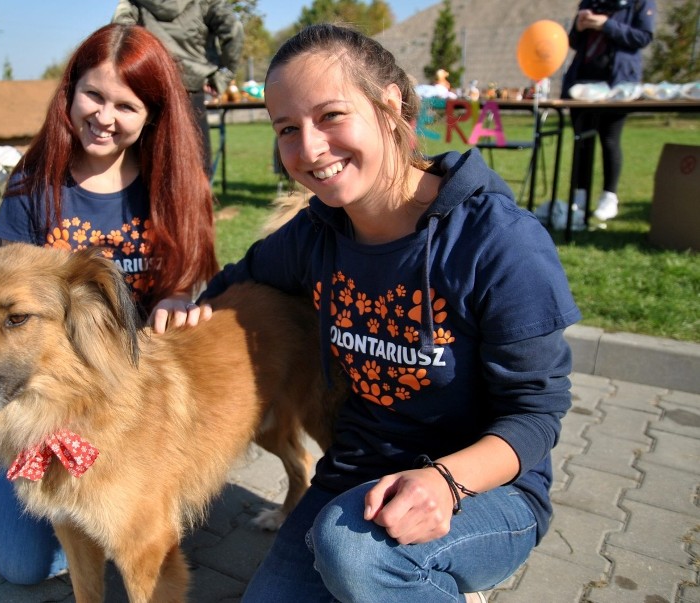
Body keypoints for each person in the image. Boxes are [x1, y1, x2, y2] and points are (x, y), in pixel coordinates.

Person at [168, 24, 582, 602]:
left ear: (390, 103)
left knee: (356, 559)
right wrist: (185, 303)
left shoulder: (499, 243)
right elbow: (243, 276)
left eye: (331, 115)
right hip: (354, 482)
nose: (310, 148)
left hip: (486, 493)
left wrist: (445, 483)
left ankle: (432, 577)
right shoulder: (315, 235)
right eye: (288, 128)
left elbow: (536, 416)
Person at [0, 23, 219, 584]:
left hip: (140, 397)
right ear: (69, 92)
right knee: (24, 565)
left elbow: (187, 277)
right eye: (94, 95)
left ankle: (135, 506)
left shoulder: (173, 186)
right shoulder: (33, 185)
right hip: (56, 403)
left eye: (127, 105)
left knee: (137, 538)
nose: (105, 116)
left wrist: (180, 295)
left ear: (152, 116)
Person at [111, 0, 244, 172]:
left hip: (151, 88)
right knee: (197, 169)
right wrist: (223, 76)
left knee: (147, 167)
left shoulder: (135, 3)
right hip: (192, 88)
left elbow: (120, 32)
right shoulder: (206, 3)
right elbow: (234, 29)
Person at [561, 0, 656, 221]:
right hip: (582, 83)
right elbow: (574, 42)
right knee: (581, 142)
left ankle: (608, 196)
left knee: (610, 139)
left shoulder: (640, 3)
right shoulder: (590, 2)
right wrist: (579, 27)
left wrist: (607, 25)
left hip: (617, 84)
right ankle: (580, 196)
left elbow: (643, 37)